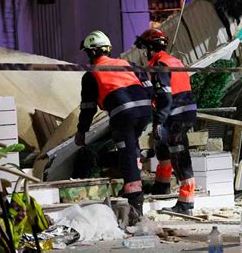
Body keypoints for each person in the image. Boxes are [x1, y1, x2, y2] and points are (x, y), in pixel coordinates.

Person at [75, 30, 152, 220]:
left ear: (91, 53)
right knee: (132, 145)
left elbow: (88, 108)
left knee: (125, 152)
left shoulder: (91, 74)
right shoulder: (128, 64)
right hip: (144, 111)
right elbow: (149, 87)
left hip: (123, 114)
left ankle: (135, 202)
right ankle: (133, 187)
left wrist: (81, 132)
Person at [134, 28, 198, 215]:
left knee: (179, 157)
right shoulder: (174, 61)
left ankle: (186, 204)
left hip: (175, 116)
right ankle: (162, 186)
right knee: (162, 147)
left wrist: (158, 121)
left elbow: (165, 96)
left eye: (145, 48)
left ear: (150, 48)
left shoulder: (160, 65)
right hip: (184, 113)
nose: (144, 53)